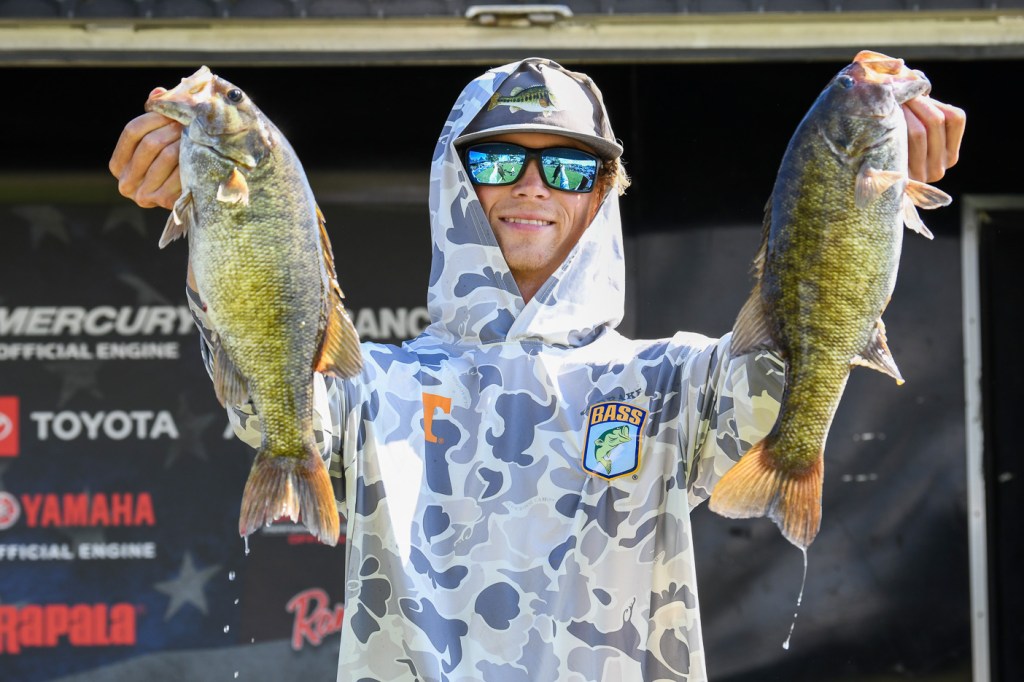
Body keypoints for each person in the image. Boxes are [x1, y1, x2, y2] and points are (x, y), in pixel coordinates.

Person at [110, 58, 965, 681]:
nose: (531, 186)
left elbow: (787, 371)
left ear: (603, 190)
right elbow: (268, 401)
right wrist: (210, 214)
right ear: (456, 183)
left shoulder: (674, 381)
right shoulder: (375, 387)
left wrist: (865, 194)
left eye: (567, 164)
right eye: (496, 160)